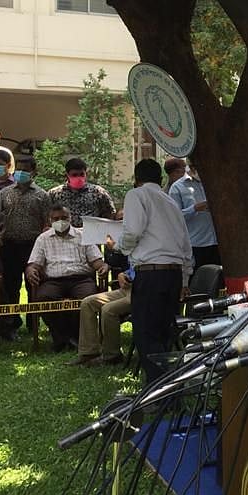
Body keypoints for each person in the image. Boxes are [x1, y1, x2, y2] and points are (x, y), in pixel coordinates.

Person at [107, 159, 193, 383]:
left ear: (136, 179)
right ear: (161, 178)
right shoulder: (171, 201)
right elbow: (186, 244)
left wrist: (118, 247)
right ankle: (170, 387)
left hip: (151, 272)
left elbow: (133, 231)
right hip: (173, 273)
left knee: (146, 333)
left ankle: (157, 389)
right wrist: (184, 279)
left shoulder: (136, 195)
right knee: (164, 332)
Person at [26, 205, 107, 353]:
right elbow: (34, 264)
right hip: (53, 281)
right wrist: (31, 270)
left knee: (87, 299)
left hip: (80, 279)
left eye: (64, 218)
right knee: (43, 298)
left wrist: (103, 267)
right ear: (50, 221)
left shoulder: (82, 235)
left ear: (70, 218)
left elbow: (96, 260)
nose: (60, 221)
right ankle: (61, 337)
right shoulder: (43, 238)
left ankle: (76, 336)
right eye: (56, 219)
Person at [0, 155, 50, 339]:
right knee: (10, 287)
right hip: (9, 245)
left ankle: (32, 324)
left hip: (32, 247)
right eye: (18, 169)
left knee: (33, 286)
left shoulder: (42, 195)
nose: (20, 173)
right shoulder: (4, 193)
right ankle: (11, 324)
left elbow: (47, 222)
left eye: (25, 170)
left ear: (33, 172)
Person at [68, 267, 132, 366]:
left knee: (108, 309)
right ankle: (89, 353)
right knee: (87, 303)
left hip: (142, 290)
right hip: (127, 288)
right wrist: (123, 274)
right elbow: (134, 267)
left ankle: (112, 356)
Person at [169, 163, 220, 270]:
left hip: (216, 242)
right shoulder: (177, 187)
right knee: (198, 277)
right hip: (195, 244)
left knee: (217, 277)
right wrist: (194, 208)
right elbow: (174, 217)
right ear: (192, 167)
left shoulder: (212, 182)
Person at [48, 157, 116, 228]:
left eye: (81, 174)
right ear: (67, 175)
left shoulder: (98, 193)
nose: (78, 177)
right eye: (74, 175)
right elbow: (47, 216)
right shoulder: (55, 194)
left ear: (86, 174)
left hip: (92, 232)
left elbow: (111, 215)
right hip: (64, 233)